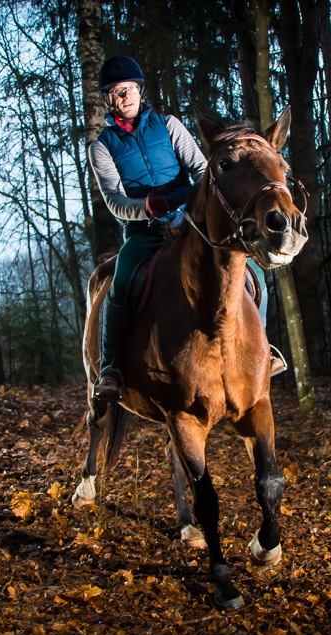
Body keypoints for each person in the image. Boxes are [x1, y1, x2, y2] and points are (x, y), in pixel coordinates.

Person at [87, 55, 285, 403]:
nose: (126, 96)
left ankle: (262, 355)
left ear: (139, 90)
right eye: (118, 92)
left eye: (131, 89)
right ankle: (111, 369)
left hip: (191, 221)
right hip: (143, 232)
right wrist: (146, 208)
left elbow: (199, 169)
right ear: (109, 99)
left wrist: (187, 207)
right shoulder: (101, 146)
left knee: (254, 275)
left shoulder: (168, 124)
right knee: (119, 285)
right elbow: (114, 200)